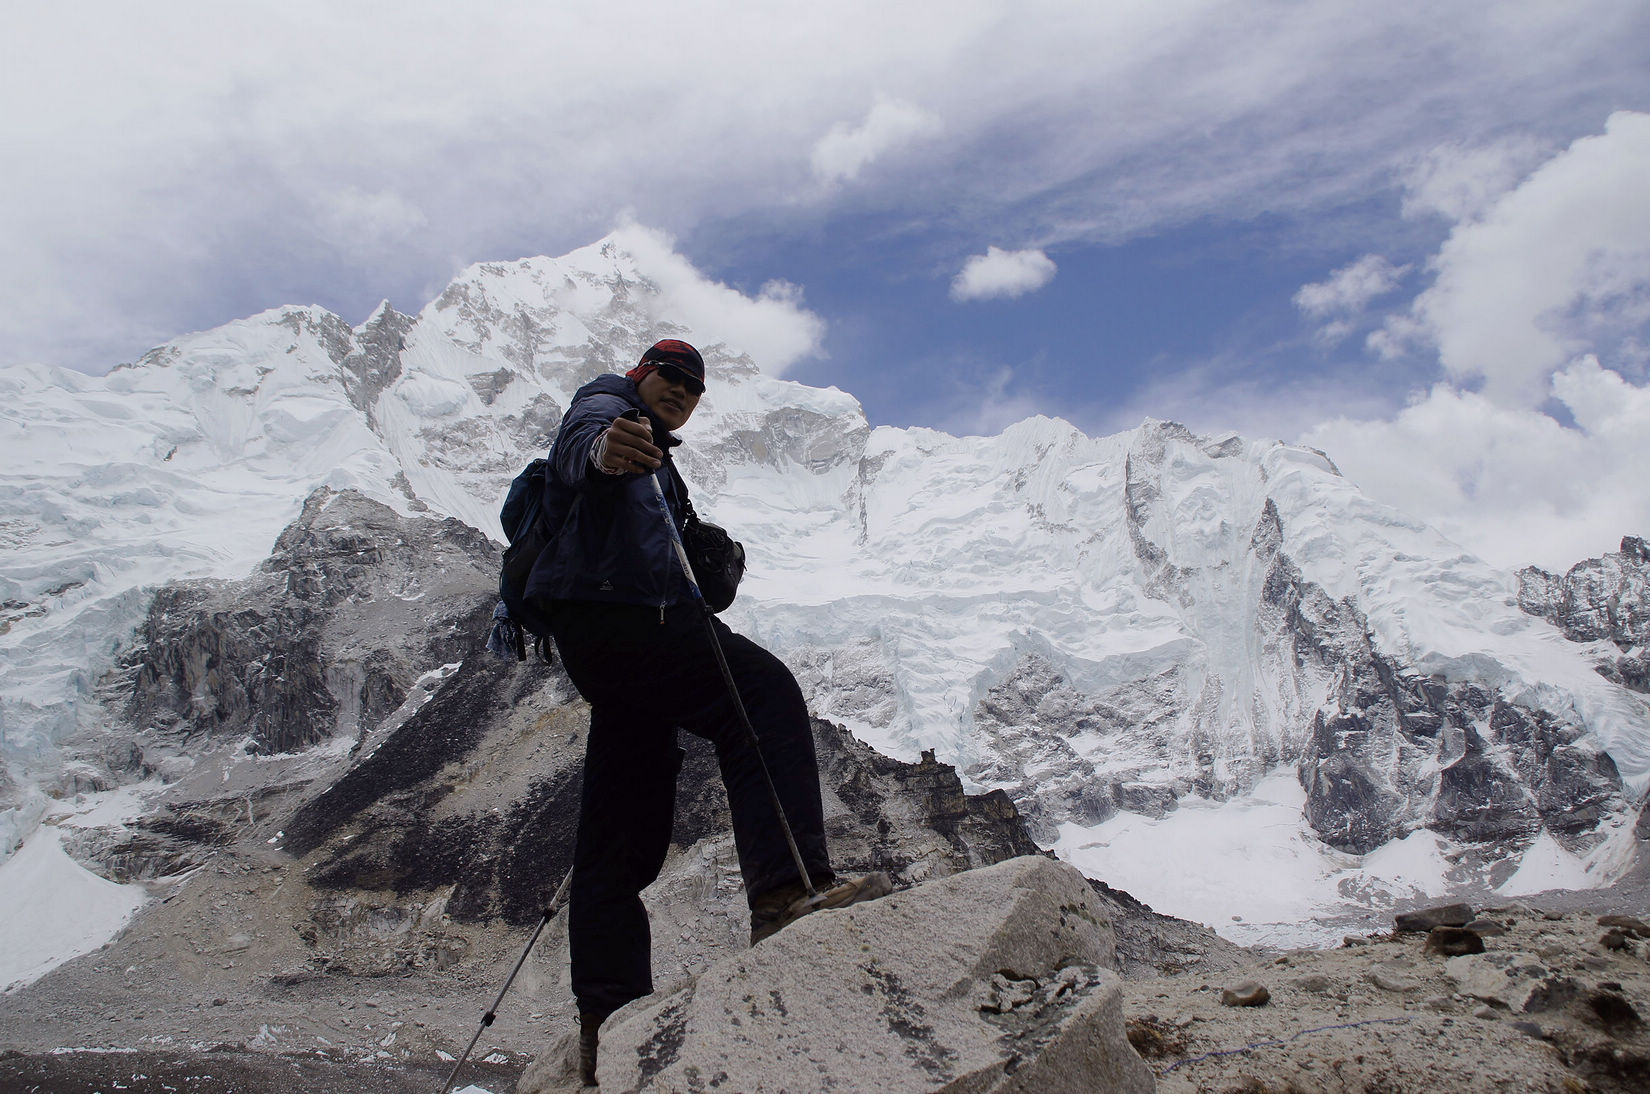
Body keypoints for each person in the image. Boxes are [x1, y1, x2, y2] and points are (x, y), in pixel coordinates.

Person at [525, 339, 888, 1085]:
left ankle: (608, 1021)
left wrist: (704, 552)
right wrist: (605, 450)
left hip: (598, 639)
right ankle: (787, 894)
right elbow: (583, 445)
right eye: (671, 377)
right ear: (641, 375)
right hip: (634, 620)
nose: (683, 391)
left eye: (694, 387)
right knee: (762, 695)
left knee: (616, 835)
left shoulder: (660, 457)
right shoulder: (610, 410)